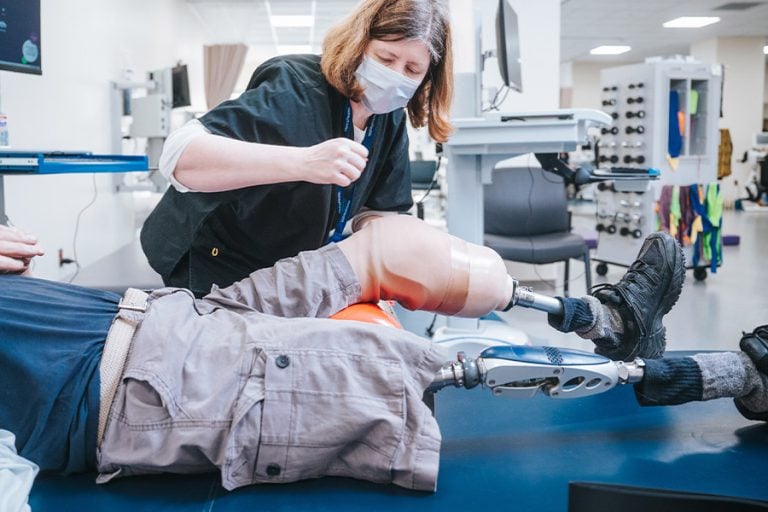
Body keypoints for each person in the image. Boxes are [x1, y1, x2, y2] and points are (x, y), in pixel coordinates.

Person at [1, 216, 765, 492]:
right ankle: (725, 374)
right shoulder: (286, 92)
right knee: (413, 369)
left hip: (178, 316)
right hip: (150, 385)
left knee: (388, 251)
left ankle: (605, 317)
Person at [140, 0, 454, 297]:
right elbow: (179, 156)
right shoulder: (295, 86)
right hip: (217, 261)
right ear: (359, 45)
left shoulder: (389, 118)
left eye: (412, 70)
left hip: (286, 268)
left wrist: (395, 242)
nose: (395, 76)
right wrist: (303, 162)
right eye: (386, 59)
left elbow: (379, 210)